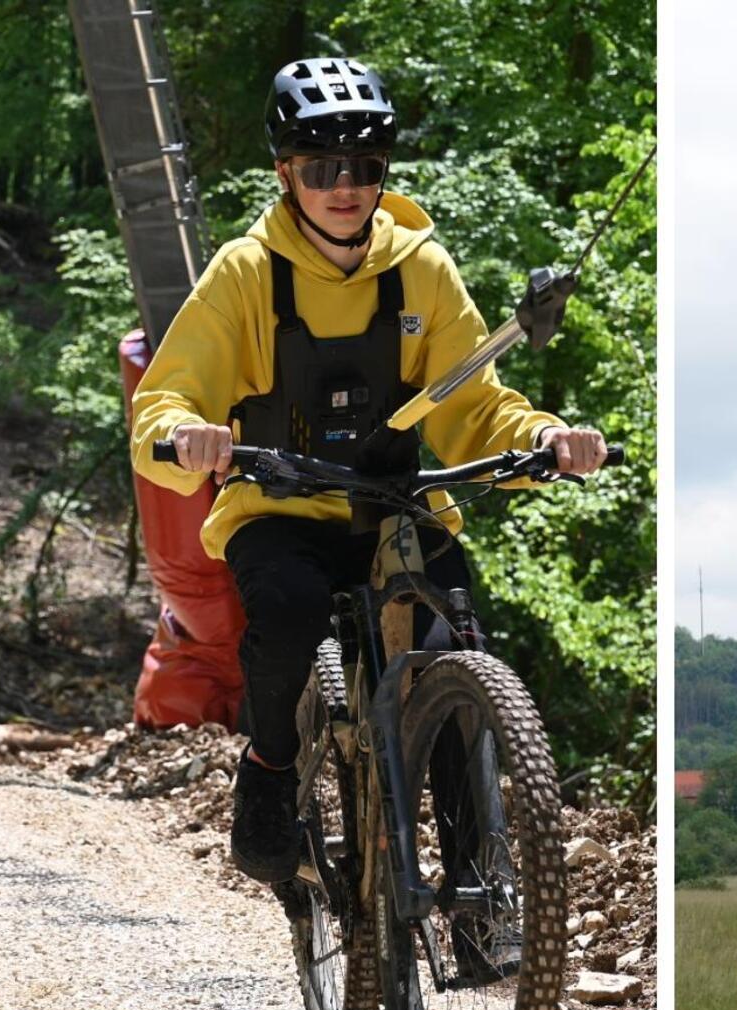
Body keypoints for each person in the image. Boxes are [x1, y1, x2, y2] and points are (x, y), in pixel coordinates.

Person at [131, 57, 609, 883]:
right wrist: (186, 434)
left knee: (454, 643)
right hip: (279, 508)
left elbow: (474, 406)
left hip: (396, 509)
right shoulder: (245, 273)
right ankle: (270, 770)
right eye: (321, 168)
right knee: (287, 611)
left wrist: (547, 436)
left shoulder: (422, 268)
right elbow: (166, 398)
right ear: (286, 175)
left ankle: (476, 885)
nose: (344, 186)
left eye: (363, 165)